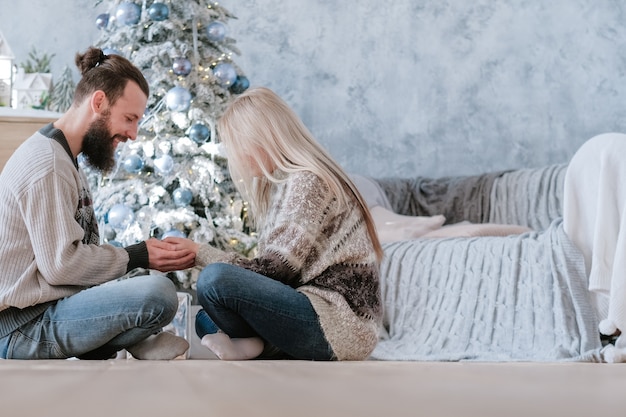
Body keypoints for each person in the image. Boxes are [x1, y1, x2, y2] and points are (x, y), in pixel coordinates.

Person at [0, 46, 195, 360]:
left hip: (47, 309)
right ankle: (114, 341)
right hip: (21, 327)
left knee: (142, 283)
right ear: (99, 102)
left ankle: (107, 341)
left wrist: (137, 260)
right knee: (158, 294)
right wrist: (138, 255)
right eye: (129, 119)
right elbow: (62, 265)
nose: (133, 134)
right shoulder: (47, 165)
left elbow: (80, 257)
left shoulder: (65, 157)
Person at [167, 86, 384, 361]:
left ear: (261, 138)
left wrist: (199, 253)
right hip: (313, 311)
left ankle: (255, 344)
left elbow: (275, 271)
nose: (236, 158)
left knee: (214, 280)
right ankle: (255, 345)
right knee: (205, 321)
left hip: (338, 323)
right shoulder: (280, 185)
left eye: (236, 146)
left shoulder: (308, 180)